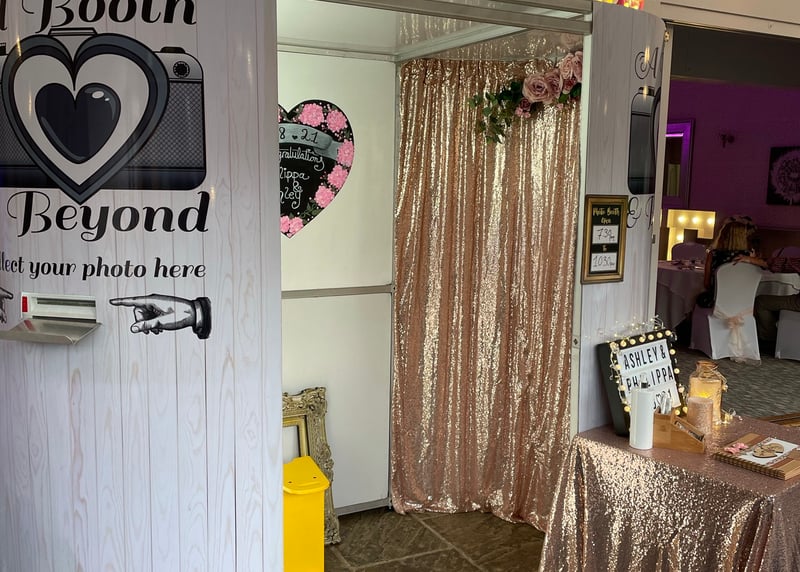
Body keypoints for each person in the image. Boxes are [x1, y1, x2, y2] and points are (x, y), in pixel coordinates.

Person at [695, 215, 767, 308]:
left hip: (718, 300)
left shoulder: (713, 254)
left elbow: (707, 284)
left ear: (724, 236)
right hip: (743, 300)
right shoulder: (749, 255)